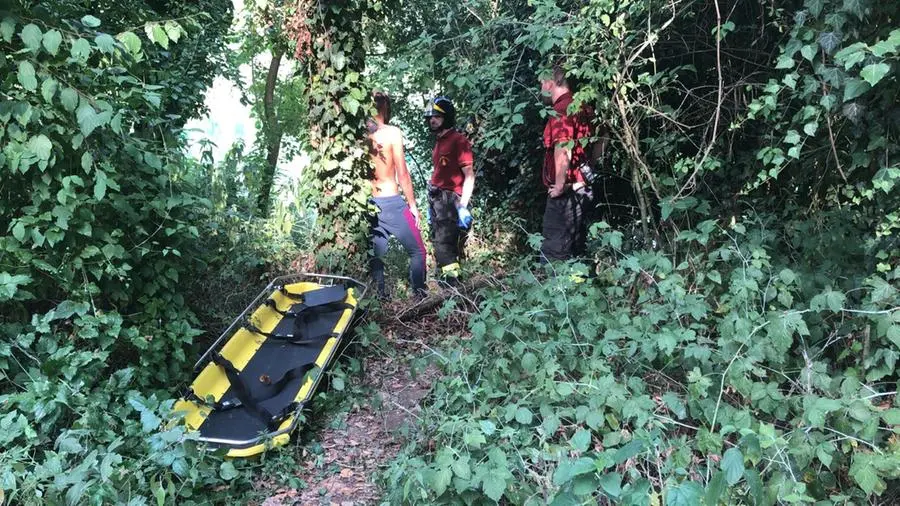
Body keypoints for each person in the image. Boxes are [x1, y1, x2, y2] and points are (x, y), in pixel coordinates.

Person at [367, 91, 427, 298]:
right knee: (418, 251)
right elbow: (402, 172)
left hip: (369, 203)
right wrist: (412, 206)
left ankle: (380, 300)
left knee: (376, 257)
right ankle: (420, 296)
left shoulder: (359, 135)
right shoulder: (392, 132)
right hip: (392, 203)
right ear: (384, 106)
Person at [539, 65, 594, 262]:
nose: (541, 87)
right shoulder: (583, 107)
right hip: (583, 189)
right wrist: (589, 171)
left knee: (553, 253)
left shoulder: (561, 110)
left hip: (566, 193)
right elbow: (602, 139)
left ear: (553, 82)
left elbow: (563, 147)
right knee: (576, 250)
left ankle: (553, 292)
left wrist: (560, 186)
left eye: (542, 82)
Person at [423, 96, 476, 283]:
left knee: (444, 246)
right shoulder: (439, 142)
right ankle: (448, 285)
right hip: (436, 199)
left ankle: (454, 289)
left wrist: (462, 205)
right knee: (440, 244)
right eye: (430, 117)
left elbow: (469, 175)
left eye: (437, 116)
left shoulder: (458, 141)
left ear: (447, 117)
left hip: (449, 200)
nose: (432, 120)